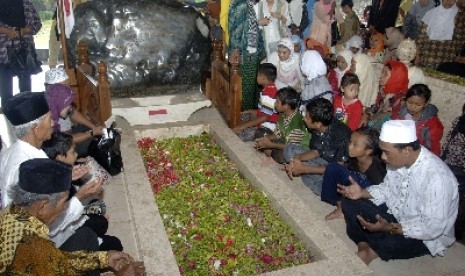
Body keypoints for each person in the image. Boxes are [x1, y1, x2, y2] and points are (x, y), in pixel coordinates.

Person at [338, 120, 459, 264]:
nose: (382, 157)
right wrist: (362, 193)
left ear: (407, 150)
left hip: (425, 233)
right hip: (396, 214)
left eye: (387, 152)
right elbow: (387, 189)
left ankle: (372, 250)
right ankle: (364, 245)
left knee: (390, 242)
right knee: (349, 202)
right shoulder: (396, 161)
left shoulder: (437, 178)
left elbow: (433, 228)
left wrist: (390, 228)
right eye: (382, 151)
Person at [0, 158, 145, 275]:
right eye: (63, 202)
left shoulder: (12, 210)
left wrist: (103, 259)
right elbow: (52, 263)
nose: (64, 207)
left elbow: (57, 261)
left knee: (87, 236)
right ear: (42, 206)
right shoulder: (33, 248)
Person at [0, 92, 104, 252]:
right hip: (40, 247)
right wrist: (79, 197)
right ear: (35, 129)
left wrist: (63, 178)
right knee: (92, 238)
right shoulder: (25, 167)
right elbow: (48, 224)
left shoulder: (11, 152)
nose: (53, 122)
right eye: (49, 118)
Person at [42, 132, 123, 251]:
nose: (77, 155)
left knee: (101, 222)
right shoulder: (50, 191)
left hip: (69, 225)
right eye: (73, 152)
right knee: (115, 244)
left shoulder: (55, 171)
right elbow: (57, 225)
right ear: (61, 157)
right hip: (60, 242)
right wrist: (80, 196)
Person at [284, 98, 351, 195]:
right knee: (290, 149)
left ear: (318, 124)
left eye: (307, 118)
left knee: (327, 188)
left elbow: (337, 169)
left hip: (333, 170)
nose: (304, 119)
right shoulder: (318, 126)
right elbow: (316, 151)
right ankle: (301, 170)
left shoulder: (342, 135)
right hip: (319, 161)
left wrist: (305, 169)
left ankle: (303, 172)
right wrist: (297, 158)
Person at [322, 127, 386, 220]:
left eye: (355, 145)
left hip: (367, 196)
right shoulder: (353, 159)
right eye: (350, 142)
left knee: (354, 178)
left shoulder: (378, 170)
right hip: (354, 187)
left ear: (368, 151)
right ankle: (340, 207)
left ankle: (352, 213)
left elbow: (379, 195)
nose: (349, 146)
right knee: (333, 168)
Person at [44, 67, 104, 157]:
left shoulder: (57, 99)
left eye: (68, 85)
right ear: (54, 89)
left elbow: (73, 112)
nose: (68, 89)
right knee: (96, 144)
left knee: (89, 126)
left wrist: (93, 127)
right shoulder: (49, 115)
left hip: (68, 135)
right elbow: (65, 141)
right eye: (64, 86)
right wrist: (92, 133)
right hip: (63, 147)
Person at [0, 0, 41, 107]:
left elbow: (37, 23)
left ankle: (26, 112)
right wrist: (6, 31)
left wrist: (25, 31)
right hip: (3, 52)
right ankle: (8, 111)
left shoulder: (27, 3)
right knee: (5, 86)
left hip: (24, 51)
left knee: (25, 86)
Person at [254, 87, 310, 163]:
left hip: (296, 149)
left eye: (277, 102)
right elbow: (278, 134)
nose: (275, 104)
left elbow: (290, 148)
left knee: (279, 154)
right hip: (285, 141)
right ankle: (269, 152)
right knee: (260, 133)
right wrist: (266, 138)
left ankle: (271, 154)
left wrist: (270, 145)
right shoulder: (283, 114)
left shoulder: (297, 124)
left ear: (285, 106)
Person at [228, 0, 267, 110]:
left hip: (250, 52)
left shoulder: (246, 4)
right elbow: (237, 29)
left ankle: (249, 113)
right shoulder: (240, 4)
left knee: (251, 88)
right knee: (246, 89)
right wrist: (235, 50)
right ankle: (244, 116)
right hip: (244, 53)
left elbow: (247, 25)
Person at [234, 63, 279, 141]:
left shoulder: (268, 94)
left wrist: (243, 126)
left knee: (239, 134)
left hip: (267, 129)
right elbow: (266, 111)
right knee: (243, 116)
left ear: (263, 78)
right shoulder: (271, 88)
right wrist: (251, 111)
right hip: (266, 122)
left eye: (257, 75)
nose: (256, 77)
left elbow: (264, 117)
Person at [394, 84, 443, 156]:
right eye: (409, 102)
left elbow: (433, 148)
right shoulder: (402, 113)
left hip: (420, 155)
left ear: (426, 103)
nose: (412, 107)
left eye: (418, 105)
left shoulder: (431, 124)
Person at [362, 60, 409, 130]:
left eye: (385, 74)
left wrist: (368, 119)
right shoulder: (383, 91)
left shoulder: (401, 100)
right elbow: (375, 108)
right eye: (382, 71)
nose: (381, 76)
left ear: (396, 77)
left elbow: (390, 121)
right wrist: (367, 114)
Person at [416, 0, 462, 68]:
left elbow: (461, 40)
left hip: (448, 59)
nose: (448, 1)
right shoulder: (430, 13)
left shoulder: (460, 16)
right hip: (427, 57)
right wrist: (417, 55)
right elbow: (421, 36)